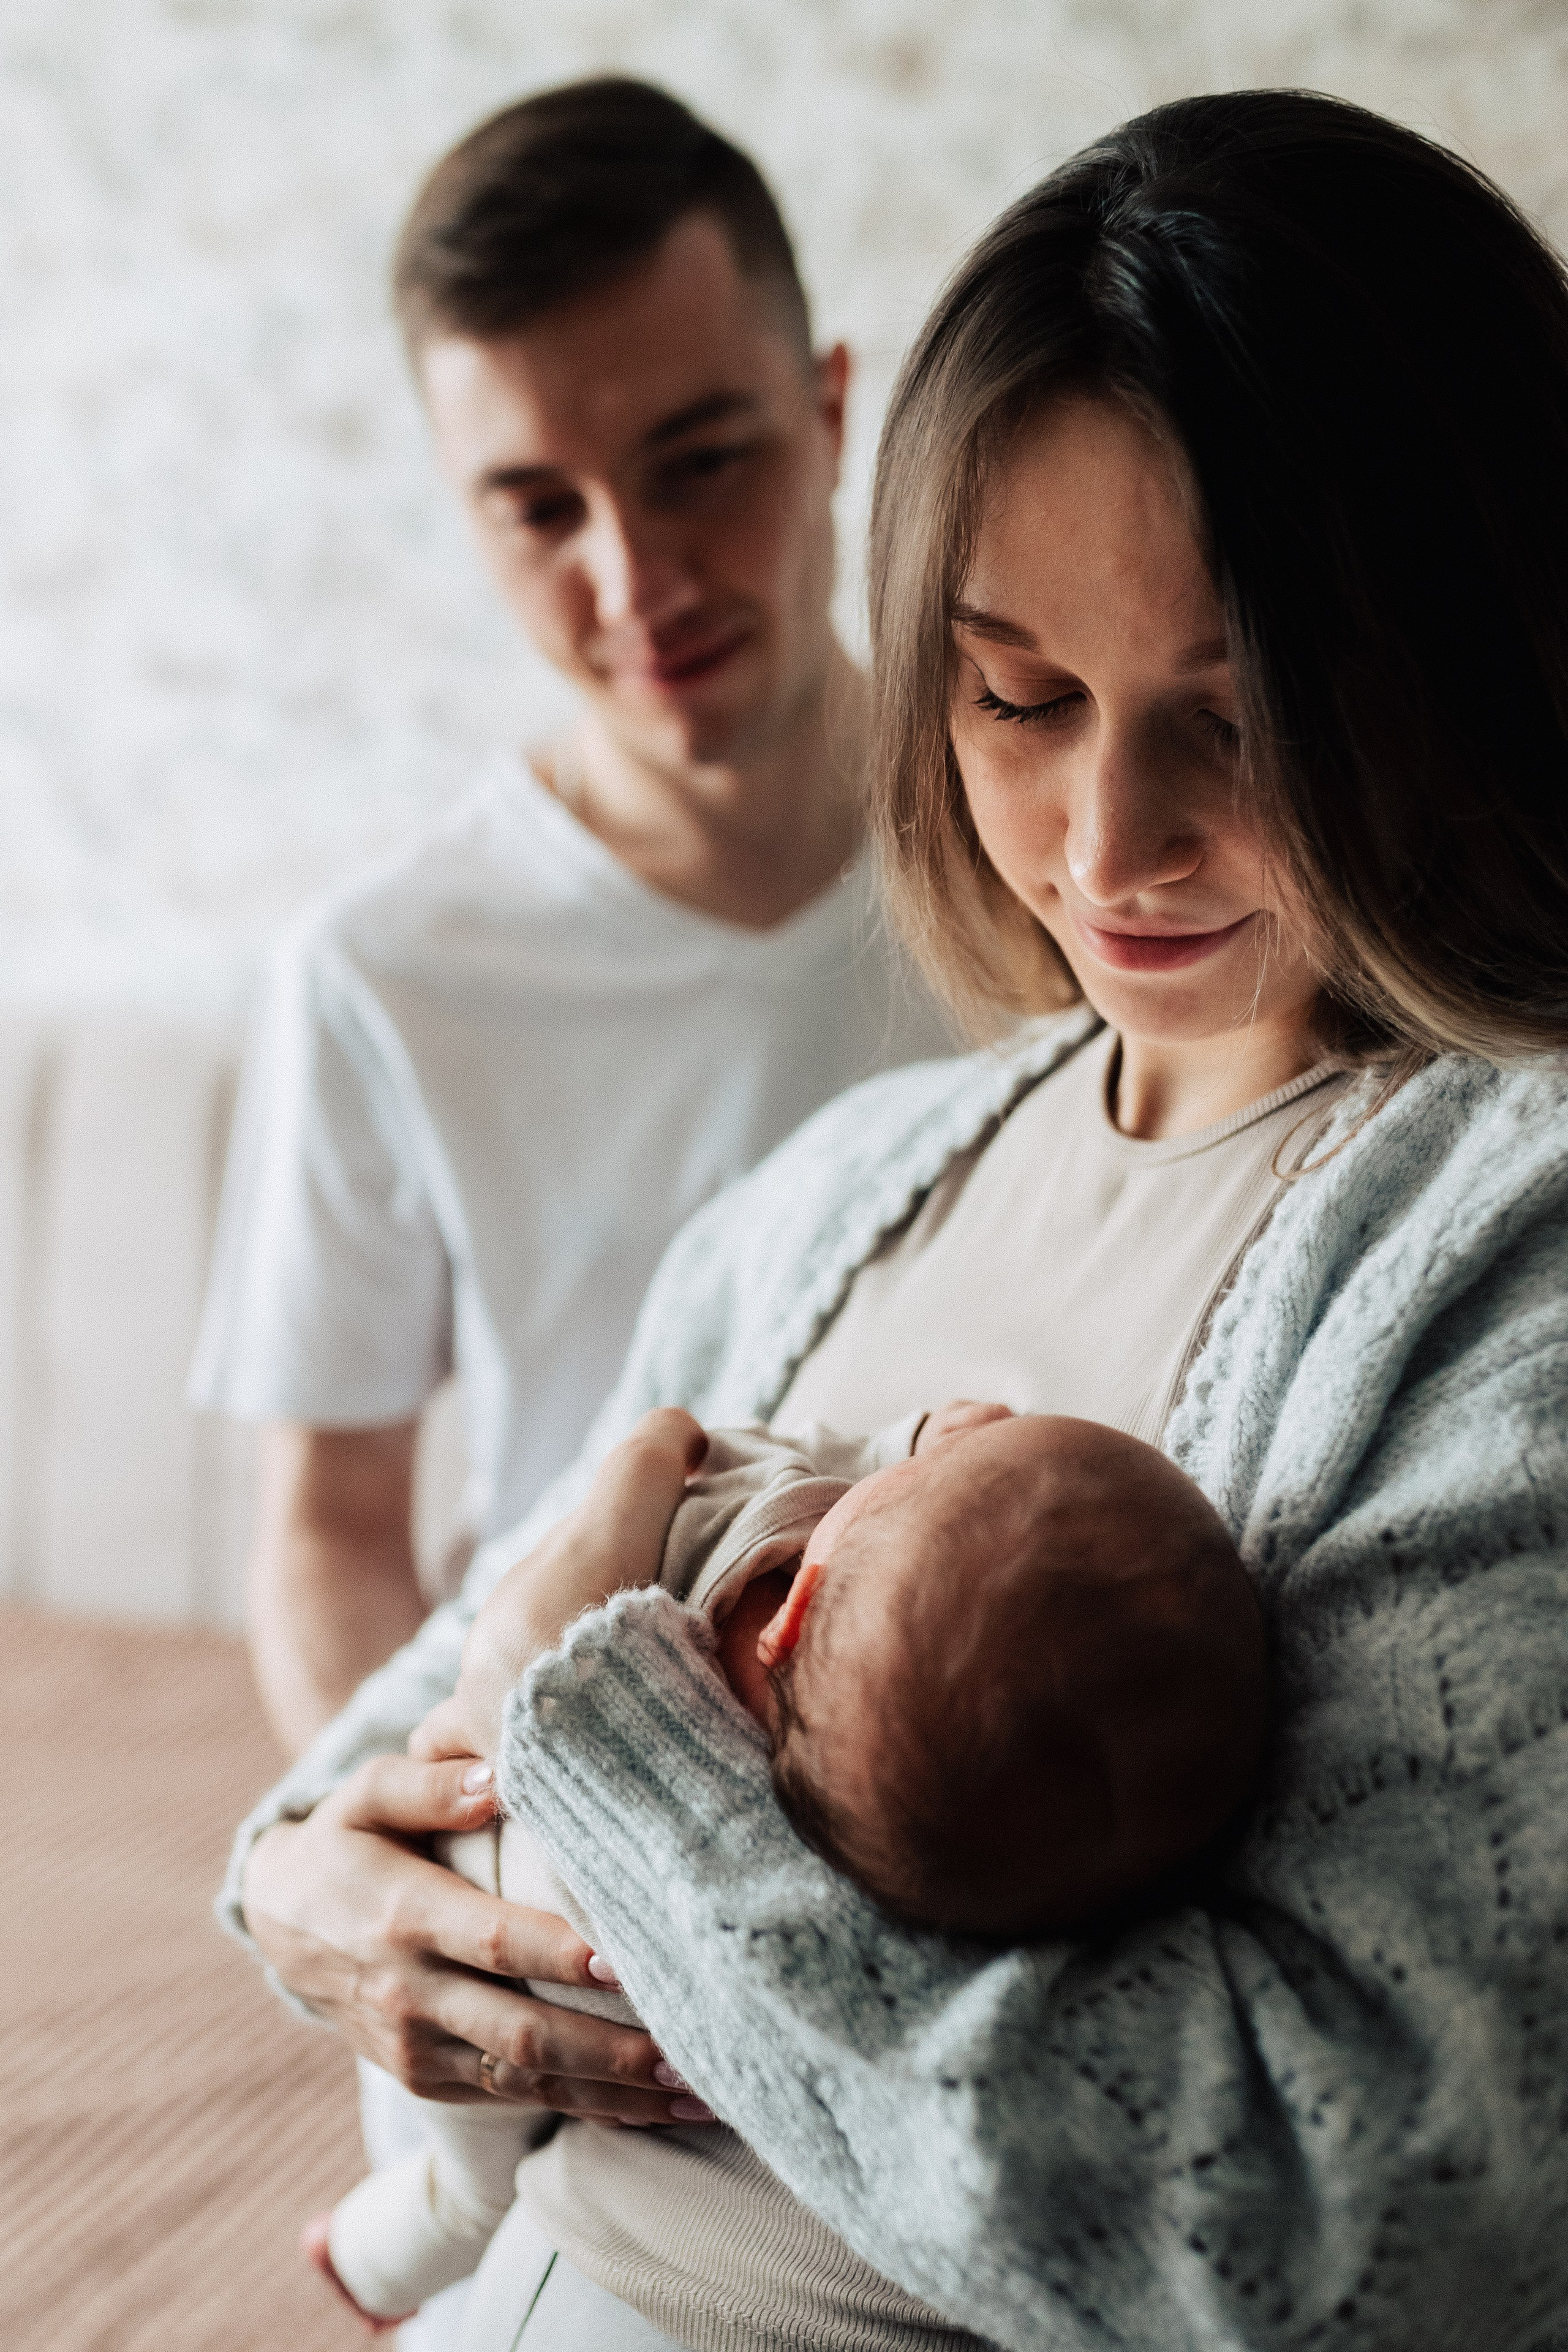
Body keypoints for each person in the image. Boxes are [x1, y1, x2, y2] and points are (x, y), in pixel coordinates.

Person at [226, 89, 1568, 2352]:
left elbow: (1365, 2226)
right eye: (1017, 696)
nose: (1106, 843)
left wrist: (623, 1780)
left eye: (1236, 724)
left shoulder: (1499, 1249)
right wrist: (299, 1884)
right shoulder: (844, 1189)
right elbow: (407, 1699)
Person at [189, 74, 949, 1765]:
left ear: (831, 416)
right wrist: (405, 1821)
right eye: (539, 507)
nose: (635, 580)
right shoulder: (381, 975)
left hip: (1004, 1747)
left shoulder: (1076, 866)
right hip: (569, 1771)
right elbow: (327, 1525)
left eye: (700, 463)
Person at [312, 1401, 1265, 2326]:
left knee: (467, 2140)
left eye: (915, 1479)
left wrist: (902, 1439)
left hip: (494, 1899)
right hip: (652, 2022)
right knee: (470, 2164)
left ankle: (411, 2238)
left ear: (797, 1603)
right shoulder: (936, 1855)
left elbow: (740, 1456)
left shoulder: (760, 1534)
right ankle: (416, 2233)